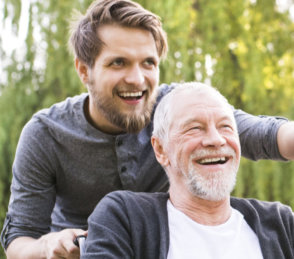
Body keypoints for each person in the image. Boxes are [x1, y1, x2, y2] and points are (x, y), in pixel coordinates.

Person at [1, 0, 294, 258]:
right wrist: (49, 245)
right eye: (119, 63)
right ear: (83, 70)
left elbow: (267, 135)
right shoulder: (45, 134)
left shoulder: (177, 110)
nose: (137, 79)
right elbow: (18, 242)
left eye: (148, 63)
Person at [82, 82, 294, 259]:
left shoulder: (281, 223)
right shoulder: (123, 218)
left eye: (225, 127)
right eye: (194, 128)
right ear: (160, 149)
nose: (216, 140)